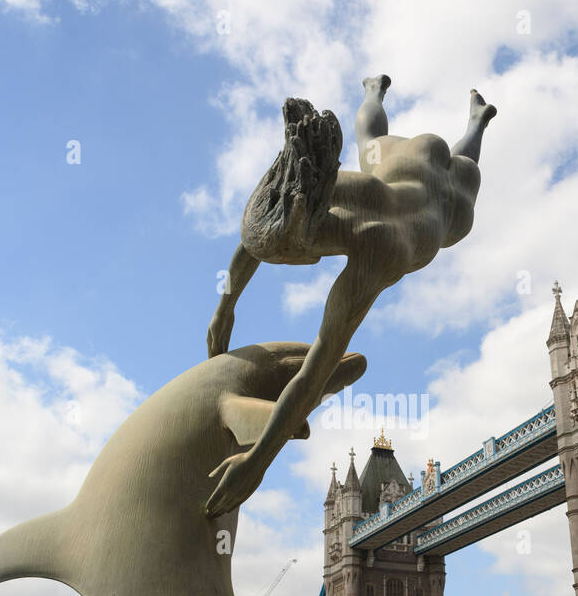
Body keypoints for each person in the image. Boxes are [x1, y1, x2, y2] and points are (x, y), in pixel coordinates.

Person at [204, 76, 496, 517]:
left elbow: (314, 371)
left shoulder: (378, 250)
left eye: (284, 258)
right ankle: (410, 103)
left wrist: (257, 461)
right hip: (409, 158)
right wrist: (224, 307)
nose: (283, 265)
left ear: (302, 244)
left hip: (451, 207)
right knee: (371, 142)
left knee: (463, 168)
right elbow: (254, 240)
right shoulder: (327, 187)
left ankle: (469, 120)